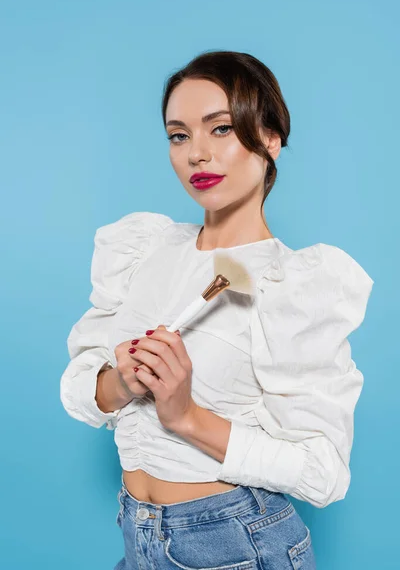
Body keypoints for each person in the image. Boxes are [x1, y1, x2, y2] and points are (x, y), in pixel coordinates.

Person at [60, 50, 374, 570]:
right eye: (179, 135)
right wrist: (121, 383)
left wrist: (185, 415)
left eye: (221, 129)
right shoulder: (143, 249)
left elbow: (324, 474)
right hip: (136, 536)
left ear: (270, 139)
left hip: (235, 543)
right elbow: (77, 387)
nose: (196, 154)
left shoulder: (290, 286)